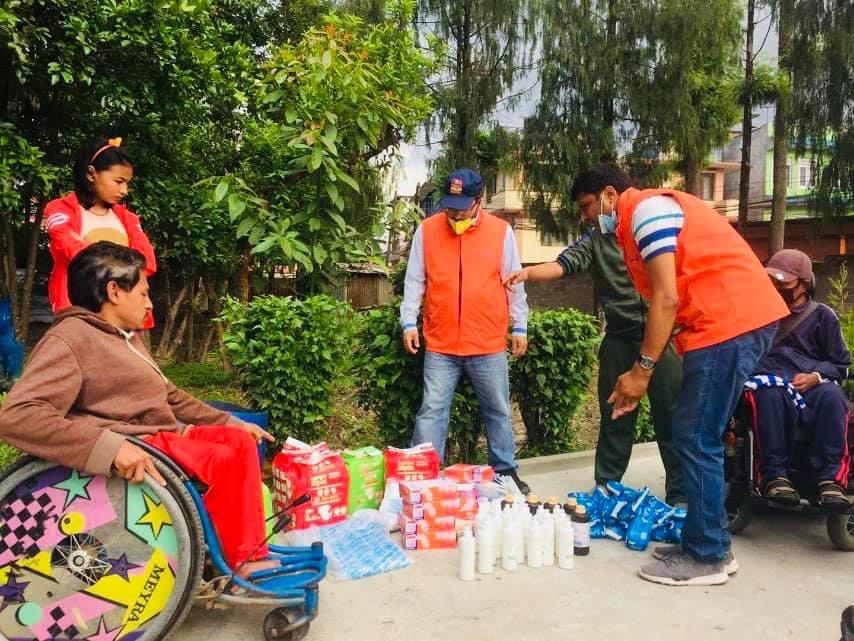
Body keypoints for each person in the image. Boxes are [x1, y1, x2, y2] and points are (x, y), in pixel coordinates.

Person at [0, 242, 277, 580]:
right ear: (114, 291)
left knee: (239, 442)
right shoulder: (71, 338)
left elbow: (169, 395)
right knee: (225, 458)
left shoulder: (127, 339)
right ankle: (237, 562)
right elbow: (17, 416)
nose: (149, 303)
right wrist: (110, 448)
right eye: (143, 293)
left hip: (161, 438)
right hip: (138, 445)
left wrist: (231, 422)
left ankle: (235, 550)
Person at [570, 164, 788, 586]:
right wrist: (640, 372)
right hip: (723, 323)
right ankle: (707, 542)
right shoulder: (637, 222)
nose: (586, 217)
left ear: (610, 194)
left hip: (729, 321)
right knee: (696, 433)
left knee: (695, 435)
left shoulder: (647, 211)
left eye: (587, 205)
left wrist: (642, 370)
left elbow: (666, 299)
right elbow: (670, 300)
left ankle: (707, 556)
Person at [503, 213, 686, 506]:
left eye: (588, 205)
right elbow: (564, 264)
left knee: (673, 417)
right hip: (620, 339)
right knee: (615, 415)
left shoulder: (654, 231)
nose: (586, 213)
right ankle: (607, 486)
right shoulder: (596, 240)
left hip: (663, 339)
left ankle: (681, 495)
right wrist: (529, 273)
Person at [400, 168, 532, 495]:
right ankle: (424, 478)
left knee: (498, 409)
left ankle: (505, 471)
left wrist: (520, 325)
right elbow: (415, 281)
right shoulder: (427, 231)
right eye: (450, 206)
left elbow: (514, 282)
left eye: (461, 207)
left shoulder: (501, 232)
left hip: (487, 340)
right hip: (441, 341)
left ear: (479, 201)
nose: (455, 214)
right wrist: (408, 322)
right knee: (432, 410)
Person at [747, 249, 850, 508]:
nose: (775, 287)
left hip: (810, 385)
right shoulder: (756, 313)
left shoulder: (823, 316)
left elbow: (841, 364)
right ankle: (774, 476)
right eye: (771, 281)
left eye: (783, 283)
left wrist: (816, 376)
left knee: (833, 397)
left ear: (803, 285)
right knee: (767, 394)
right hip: (769, 384)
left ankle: (830, 480)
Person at [44, 137, 157, 328]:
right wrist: (124, 265)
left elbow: (147, 262)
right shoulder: (61, 210)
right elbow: (70, 247)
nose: (124, 190)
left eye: (127, 183)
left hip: (124, 315)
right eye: (118, 181)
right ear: (91, 174)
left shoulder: (129, 219)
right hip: (79, 315)